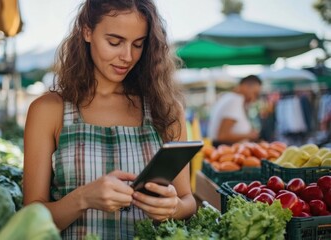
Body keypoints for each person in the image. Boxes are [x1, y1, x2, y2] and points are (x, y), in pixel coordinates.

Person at [23, 0, 196, 238]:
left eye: (138, 44)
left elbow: (188, 200)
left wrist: (173, 207)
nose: (127, 56)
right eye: (114, 42)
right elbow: (30, 219)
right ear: (87, 31)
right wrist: (83, 198)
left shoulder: (165, 109)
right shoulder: (48, 110)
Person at [208, 75, 262, 147]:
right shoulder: (235, 100)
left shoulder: (231, 98)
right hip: (226, 153)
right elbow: (222, 136)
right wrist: (249, 135)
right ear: (245, 87)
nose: (254, 99)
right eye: (255, 94)